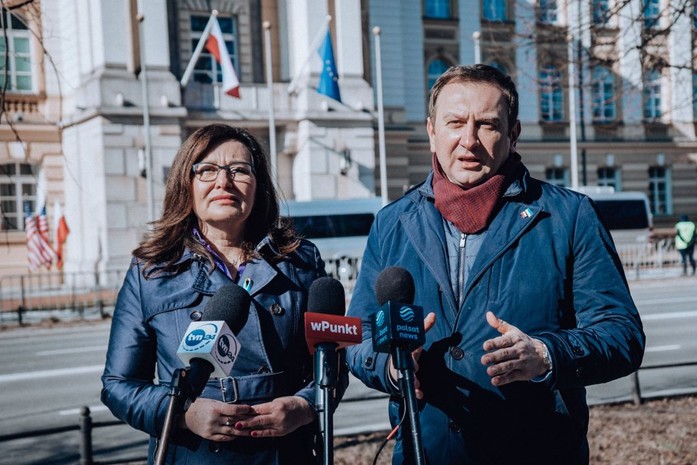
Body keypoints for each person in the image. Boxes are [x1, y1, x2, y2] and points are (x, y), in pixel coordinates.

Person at [345, 64, 645, 465]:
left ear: (513, 133)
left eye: (486, 124)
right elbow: (359, 334)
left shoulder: (569, 216)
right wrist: (391, 367)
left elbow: (622, 334)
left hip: (537, 451)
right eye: (455, 123)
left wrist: (546, 354)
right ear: (432, 131)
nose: (469, 140)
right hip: (427, 451)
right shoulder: (392, 222)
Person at [101, 124, 347, 464]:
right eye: (207, 170)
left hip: (286, 453)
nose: (224, 182)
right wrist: (183, 413)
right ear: (186, 183)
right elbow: (118, 384)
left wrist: (305, 406)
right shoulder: (151, 271)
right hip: (193, 454)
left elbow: (333, 364)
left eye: (239, 170)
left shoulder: (301, 261)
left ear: (258, 184)